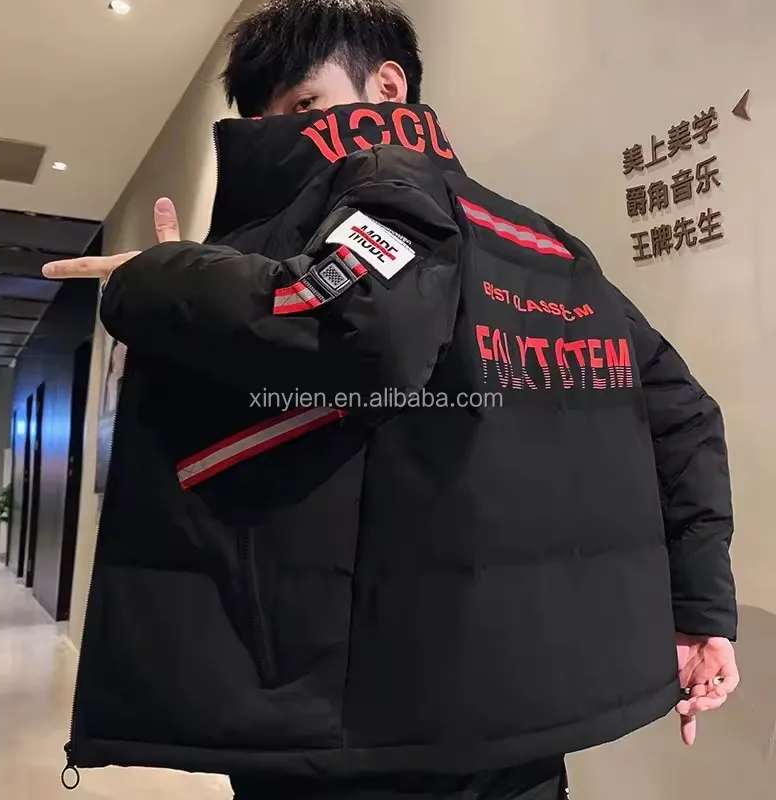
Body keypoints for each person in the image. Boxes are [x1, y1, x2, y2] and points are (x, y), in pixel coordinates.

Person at [44, 1, 739, 798]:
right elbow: (684, 415)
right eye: (265, 117)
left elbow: (355, 318)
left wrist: (163, 280)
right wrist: (701, 613)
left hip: (359, 731)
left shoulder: (383, 181)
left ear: (387, 88)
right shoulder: (552, 252)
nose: (283, 131)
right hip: (516, 725)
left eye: (304, 103)